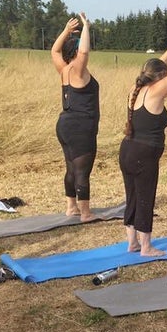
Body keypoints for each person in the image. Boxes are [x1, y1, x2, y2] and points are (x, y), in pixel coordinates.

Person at [119, 24, 167, 256]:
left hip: (127, 150)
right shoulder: (156, 92)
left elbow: (154, 67)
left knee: (131, 196)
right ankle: (146, 247)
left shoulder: (136, 89)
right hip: (143, 155)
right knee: (144, 197)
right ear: (160, 78)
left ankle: (132, 242)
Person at [50, 12, 99, 221]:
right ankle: (85, 212)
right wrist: (86, 26)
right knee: (82, 170)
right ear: (76, 52)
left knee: (71, 167)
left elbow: (54, 50)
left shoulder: (64, 69)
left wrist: (66, 31)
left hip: (64, 124)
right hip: (81, 126)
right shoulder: (78, 70)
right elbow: (85, 51)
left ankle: (71, 207)